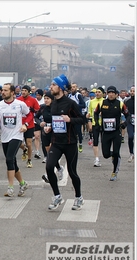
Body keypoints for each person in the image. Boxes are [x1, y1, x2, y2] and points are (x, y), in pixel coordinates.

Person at [45, 74, 85, 211]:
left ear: (61, 88)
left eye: (54, 85)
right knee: (49, 167)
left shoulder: (70, 103)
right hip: (56, 142)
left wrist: (70, 120)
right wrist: (49, 128)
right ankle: (57, 196)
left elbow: (82, 119)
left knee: (73, 172)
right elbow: (56, 121)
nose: (51, 87)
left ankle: (78, 197)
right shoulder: (53, 103)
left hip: (70, 143)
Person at [0, 83, 30, 197]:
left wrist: (25, 125)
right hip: (4, 136)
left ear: (13, 92)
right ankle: (23, 183)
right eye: (2, 90)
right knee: (12, 162)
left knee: (9, 159)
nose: (3, 92)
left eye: (6, 90)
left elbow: (29, 115)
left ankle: (10, 187)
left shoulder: (20, 104)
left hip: (17, 135)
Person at [94, 86, 128, 181]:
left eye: (113, 93)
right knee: (105, 154)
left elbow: (128, 115)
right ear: (107, 94)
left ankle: (114, 172)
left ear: (116, 94)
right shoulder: (102, 103)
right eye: (109, 92)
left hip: (116, 132)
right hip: (105, 132)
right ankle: (114, 155)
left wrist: (124, 123)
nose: (111, 94)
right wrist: (97, 123)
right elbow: (96, 113)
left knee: (117, 152)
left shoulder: (120, 103)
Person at [35, 91, 65, 183]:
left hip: (55, 132)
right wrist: (41, 123)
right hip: (45, 132)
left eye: (48, 98)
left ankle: (47, 174)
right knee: (49, 153)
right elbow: (36, 117)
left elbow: (61, 119)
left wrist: (52, 126)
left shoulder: (56, 107)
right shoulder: (43, 107)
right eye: (45, 98)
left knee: (51, 153)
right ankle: (59, 168)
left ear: (52, 99)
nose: (46, 100)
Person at [17, 85, 40, 168]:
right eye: (22, 90)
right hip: (19, 125)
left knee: (29, 143)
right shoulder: (18, 100)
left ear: (29, 92)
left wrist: (33, 110)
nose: (23, 92)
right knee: (18, 143)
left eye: (25, 91)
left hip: (29, 125)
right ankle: (24, 149)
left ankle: (29, 160)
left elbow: (38, 110)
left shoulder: (33, 100)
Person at [87, 87, 105, 167]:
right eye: (96, 92)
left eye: (99, 92)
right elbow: (89, 113)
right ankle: (97, 159)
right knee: (95, 142)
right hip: (95, 124)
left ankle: (109, 154)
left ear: (103, 94)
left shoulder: (105, 102)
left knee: (104, 142)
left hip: (104, 125)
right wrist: (89, 121)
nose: (97, 93)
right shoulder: (91, 102)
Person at [68, 82, 86, 153]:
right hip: (70, 116)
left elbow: (83, 105)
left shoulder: (78, 95)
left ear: (76, 88)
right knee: (72, 131)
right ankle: (73, 145)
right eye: (72, 87)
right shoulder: (69, 96)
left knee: (78, 131)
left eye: (74, 87)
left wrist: (75, 106)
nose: (73, 88)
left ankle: (80, 143)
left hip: (78, 116)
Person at [124, 86, 134, 162]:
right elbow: (125, 111)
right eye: (131, 91)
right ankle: (131, 153)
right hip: (130, 121)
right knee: (130, 137)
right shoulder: (127, 101)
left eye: (134, 91)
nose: (132, 92)